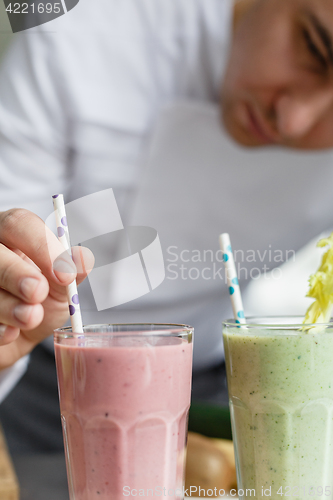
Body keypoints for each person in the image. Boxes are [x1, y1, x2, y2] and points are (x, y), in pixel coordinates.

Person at [1, 0, 333, 452]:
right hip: (46, 372)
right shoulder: (79, 29)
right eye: (313, 46)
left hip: (216, 382)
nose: (294, 119)